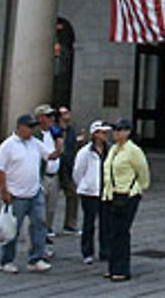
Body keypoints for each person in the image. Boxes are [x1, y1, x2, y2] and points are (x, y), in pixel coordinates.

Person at [0, 113, 63, 273]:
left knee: (39, 224)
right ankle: (6, 260)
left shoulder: (35, 143)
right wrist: (4, 190)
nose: (31, 131)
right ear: (20, 127)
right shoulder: (8, 145)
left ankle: (36, 258)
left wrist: (58, 149)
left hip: (34, 190)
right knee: (13, 229)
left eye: (33, 127)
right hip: (16, 192)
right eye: (29, 127)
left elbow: (49, 156)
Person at [102, 119, 150, 282]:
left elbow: (143, 170)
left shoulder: (133, 150)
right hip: (111, 194)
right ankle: (112, 266)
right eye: (114, 130)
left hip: (127, 195)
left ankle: (122, 268)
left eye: (119, 130)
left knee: (121, 232)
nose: (116, 133)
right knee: (112, 232)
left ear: (128, 132)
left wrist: (139, 188)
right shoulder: (114, 149)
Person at [73, 119, 112, 265]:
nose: (105, 135)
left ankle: (105, 250)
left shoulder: (110, 150)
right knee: (89, 223)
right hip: (90, 192)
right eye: (102, 132)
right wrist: (84, 185)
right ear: (95, 134)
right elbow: (78, 171)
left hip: (106, 190)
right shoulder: (85, 152)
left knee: (106, 222)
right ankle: (87, 251)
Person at [34, 104, 63, 242]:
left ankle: (46, 236)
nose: (52, 119)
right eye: (48, 116)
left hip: (54, 175)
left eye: (52, 116)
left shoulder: (54, 132)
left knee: (50, 210)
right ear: (40, 118)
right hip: (42, 176)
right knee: (39, 211)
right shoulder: (35, 135)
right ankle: (37, 241)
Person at [58, 106, 80, 235]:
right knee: (50, 200)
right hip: (56, 167)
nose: (68, 115)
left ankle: (70, 224)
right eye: (64, 113)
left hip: (68, 167)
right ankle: (47, 226)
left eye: (68, 112)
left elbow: (72, 147)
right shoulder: (54, 130)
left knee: (73, 195)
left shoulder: (71, 131)